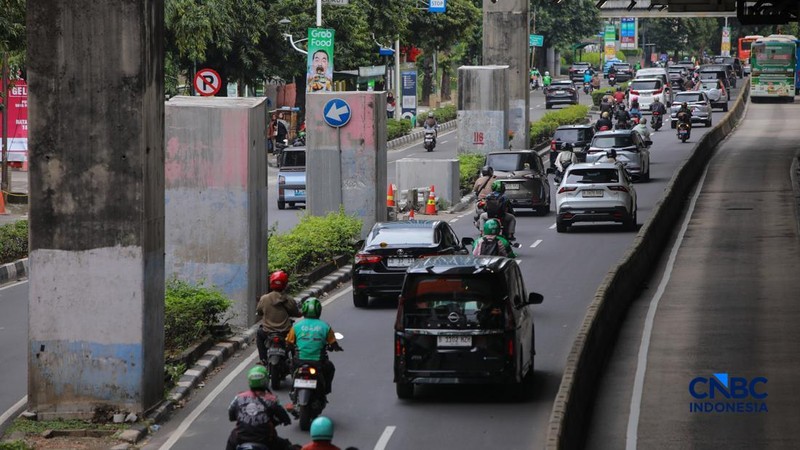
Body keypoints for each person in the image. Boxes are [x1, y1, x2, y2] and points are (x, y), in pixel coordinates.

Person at [226, 366, 294, 450]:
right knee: (287, 445)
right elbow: (285, 418)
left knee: (232, 438)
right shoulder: (271, 400)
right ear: (265, 380)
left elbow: (231, 415)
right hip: (265, 441)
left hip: (240, 439)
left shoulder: (239, 398)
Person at [286, 298, 342, 395]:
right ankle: (325, 390)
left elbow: (289, 343)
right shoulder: (325, 326)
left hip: (299, 361)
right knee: (330, 368)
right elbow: (333, 343)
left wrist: (290, 347)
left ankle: (293, 389)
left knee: (291, 366)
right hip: (318, 362)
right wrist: (336, 348)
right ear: (319, 311)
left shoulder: (296, 326)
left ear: (304, 310)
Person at [256, 271, 302, 365]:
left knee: (259, 334)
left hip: (267, 332)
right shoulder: (289, 299)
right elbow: (296, 313)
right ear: (285, 284)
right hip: (285, 332)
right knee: (295, 342)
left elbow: (259, 311)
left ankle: (263, 359)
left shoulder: (264, 298)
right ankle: (295, 361)